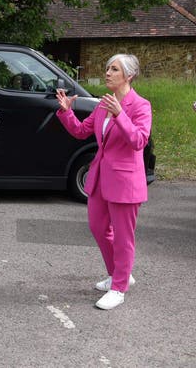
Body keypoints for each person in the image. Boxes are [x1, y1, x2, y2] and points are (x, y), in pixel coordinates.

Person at [55, 54, 152, 310]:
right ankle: (119, 274)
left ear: (128, 76)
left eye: (114, 69)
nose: (108, 73)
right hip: (99, 178)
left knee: (123, 237)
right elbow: (80, 131)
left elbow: (139, 141)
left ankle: (119, 288)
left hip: (125, 182)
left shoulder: (141, 106)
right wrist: (66, 112)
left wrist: (120, 114)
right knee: (98, 228)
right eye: (108, 68)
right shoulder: (102, 105)